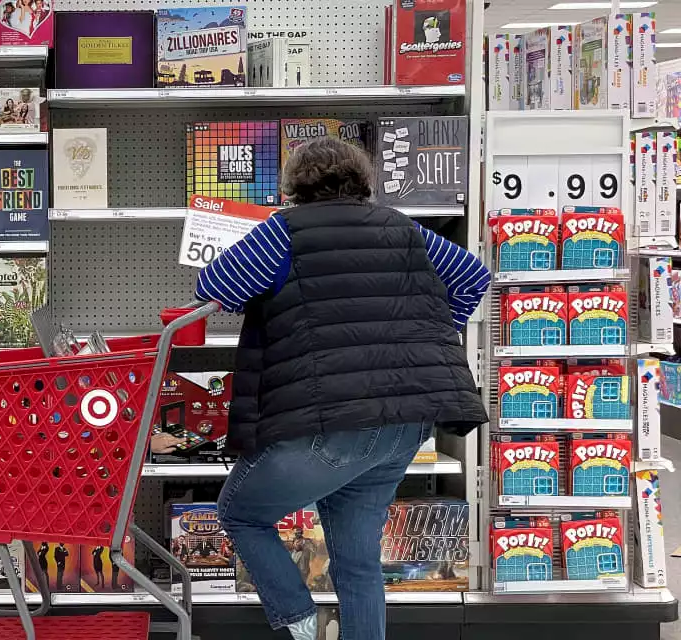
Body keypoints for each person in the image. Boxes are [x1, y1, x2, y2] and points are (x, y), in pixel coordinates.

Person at [194, 138, 488, 640]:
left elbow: (212, 287)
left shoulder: (281, 233)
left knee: (239, 512)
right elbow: (472, 277)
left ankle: (298, 618)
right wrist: (428, 336)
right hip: (404, 425)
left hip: (328, 422)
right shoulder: (403, 228)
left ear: (294, 187)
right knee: (358, 564)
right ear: (363, 181)